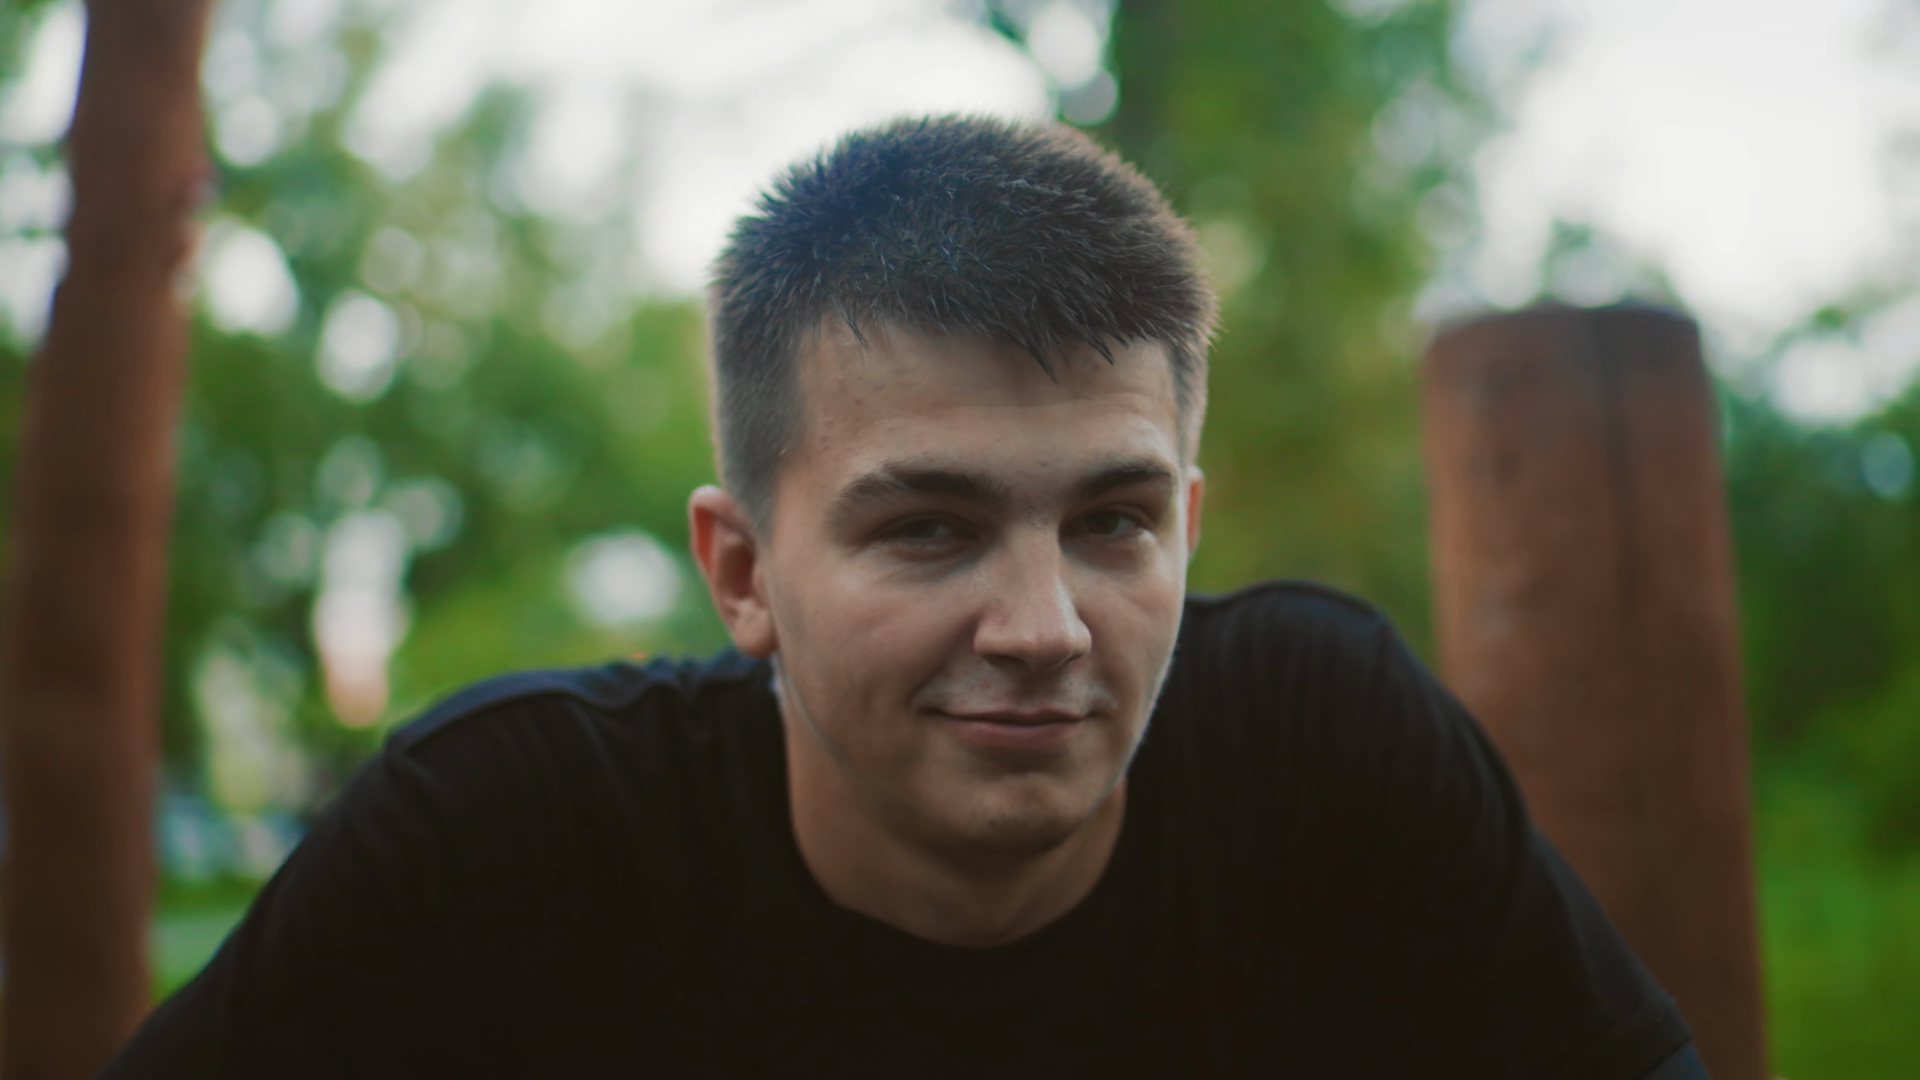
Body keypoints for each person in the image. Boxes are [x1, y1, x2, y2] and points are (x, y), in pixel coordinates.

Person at [104, 115, 1711, 1078]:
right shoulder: (506, 839)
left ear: (1188, 527)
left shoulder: (1324, 751)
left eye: (1114, 522)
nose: (1046, 628)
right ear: (743, 573)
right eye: (931, 530)